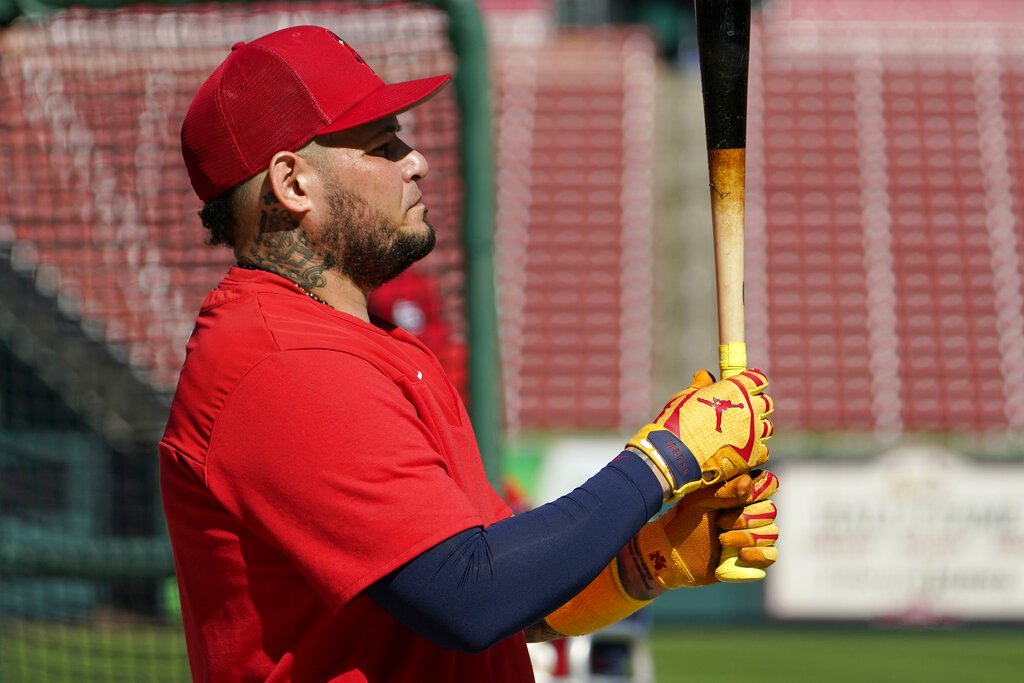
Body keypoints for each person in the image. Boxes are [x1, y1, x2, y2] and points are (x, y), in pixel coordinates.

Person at [160, 25, 779, 683]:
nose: (415, 159)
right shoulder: (283, 365)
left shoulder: (365, 347)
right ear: (293, 183)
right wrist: (667, 456)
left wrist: (651, 557)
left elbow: (512, 594)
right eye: (382, 144)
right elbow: (471, 595)